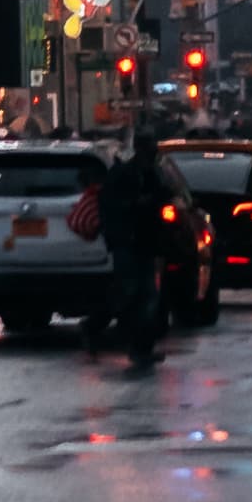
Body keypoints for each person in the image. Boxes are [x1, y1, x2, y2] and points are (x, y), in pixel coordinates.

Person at [106, 114, 175, 369]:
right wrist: (139, 205)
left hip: (146, 244)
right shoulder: (125, 173)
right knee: (133, 295)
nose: (152, 149)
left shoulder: (154, 173)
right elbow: (113, 206)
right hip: (129, 242)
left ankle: (140, 347)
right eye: (147, 145)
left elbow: (164, 199)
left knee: (146, 297)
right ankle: (118, 336)